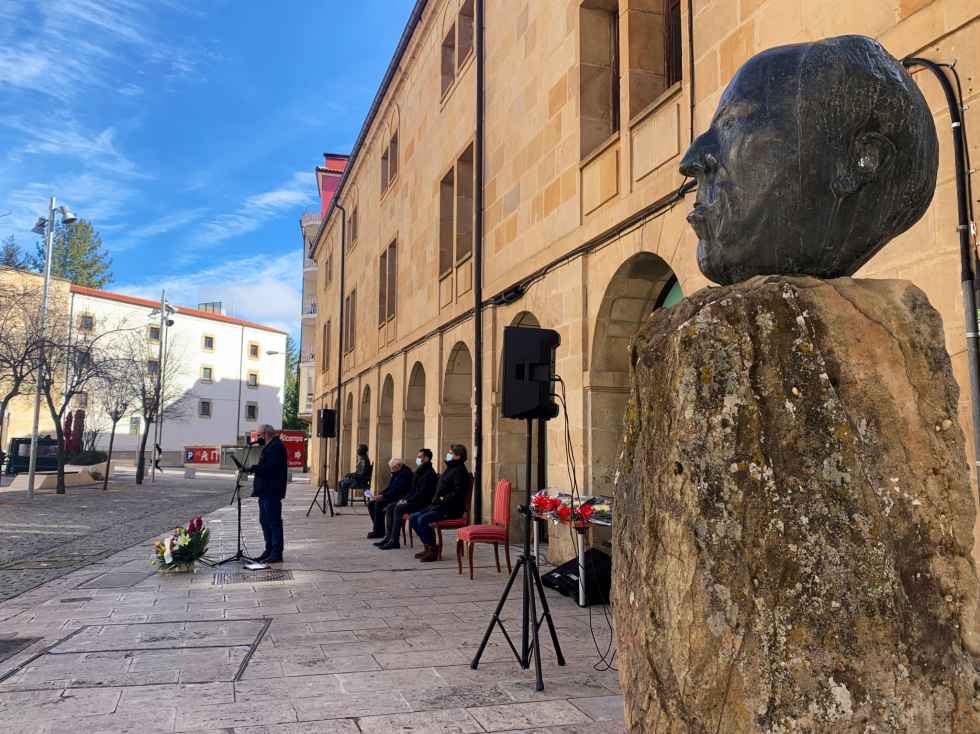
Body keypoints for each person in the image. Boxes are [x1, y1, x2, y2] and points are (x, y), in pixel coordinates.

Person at [409, 444, 471, 562]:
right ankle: (429, 546)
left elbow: (459, 492)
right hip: (438, 506)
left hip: (450, 509)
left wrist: (443, 498)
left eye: (450, 453)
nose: (448, 455)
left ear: (457, 456)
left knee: (423, 519)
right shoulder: (451, 468)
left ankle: (433, 551)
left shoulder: (460, 471)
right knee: (413, 518)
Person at [377, 448, 439, 550]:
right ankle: (389, 537)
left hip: (422, 503)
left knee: (398, 508)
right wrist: (405, 499)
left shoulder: (429, 473)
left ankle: (394, 541)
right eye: (418, 457)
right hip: (414, 500)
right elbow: (412, 490)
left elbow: (422, 493)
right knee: (391, 507)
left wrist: (407, 501)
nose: (418, 459)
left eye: (420, 457)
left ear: (426, 458)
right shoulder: (419, 471)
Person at [248, 424, 288, 563]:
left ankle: (276, 552)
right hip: (265, 491)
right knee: (265, 521)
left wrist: (254, 468)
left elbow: (271, 468)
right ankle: (269, 550)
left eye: (259, 435)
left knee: (273, 522)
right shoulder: (271, 446)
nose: (257, 438)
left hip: (272, 491)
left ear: (265, 434)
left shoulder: (276, 446)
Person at [367, 458, 413, 539]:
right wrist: (381, 494)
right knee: (371, 504)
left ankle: (379, 532)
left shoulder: (405, 474)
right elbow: (390, 487)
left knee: (379, 503)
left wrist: (383, 496)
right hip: (393, 495)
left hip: (400, 497)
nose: (391, 470)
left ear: (399, 466)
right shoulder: (397, 472)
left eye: (393, 468)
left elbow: (397, 489)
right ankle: (379, 528)